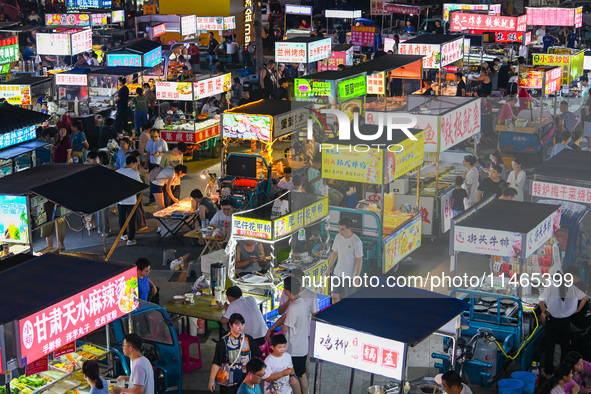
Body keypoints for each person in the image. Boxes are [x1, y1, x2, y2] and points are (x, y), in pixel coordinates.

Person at [539, 273, 587, 375]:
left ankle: (548, 372)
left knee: (550, 346)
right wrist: (577, 310)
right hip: (565, 321)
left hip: (552, 321)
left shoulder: (551, 288)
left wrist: (544, 312)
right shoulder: (571, 288)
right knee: (565, 347)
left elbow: (541, 301)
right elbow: (584, 298)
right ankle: (563, 373)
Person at [208, 313, 263, 393]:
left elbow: (257, 358)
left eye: (242, 324)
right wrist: (211, 380)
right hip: (227, 381)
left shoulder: (249, 339)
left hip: (245, 379)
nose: (240, 327)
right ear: (230, 325)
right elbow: (217, 363)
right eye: (237, 324)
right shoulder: (223, 342)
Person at [327, 217, 363, 303]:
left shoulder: (356, 241)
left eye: (342, 229)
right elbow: (334, 254)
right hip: (337, 272)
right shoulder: (338, 237)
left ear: (349, 229)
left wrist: (356, 277)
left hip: (350, 275)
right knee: (334, 295)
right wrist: (329, 268)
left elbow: (360, 260)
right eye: (339, 228)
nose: (340, 231)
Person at [116, 156, 141, 246]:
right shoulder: (134, 174)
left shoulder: (117, 172)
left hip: (121, 200)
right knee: (131, 220)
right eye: (135, 164)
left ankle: (123, 234)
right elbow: (139, 186)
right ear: (131, 163)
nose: (134, 166)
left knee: (122, 218)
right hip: (131, 200)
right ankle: (130, 239)